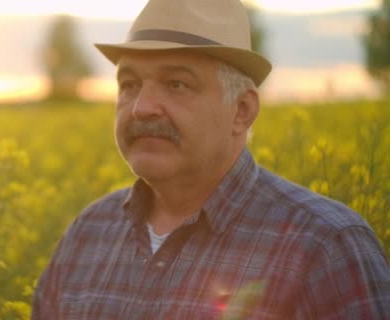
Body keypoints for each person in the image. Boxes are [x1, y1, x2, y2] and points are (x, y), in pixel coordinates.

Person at [31, 0, 390, 318]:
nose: (141, 108)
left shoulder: (326, 247)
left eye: (176, 84)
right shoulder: (87, 234)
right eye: (129, 84)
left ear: (242, 110)